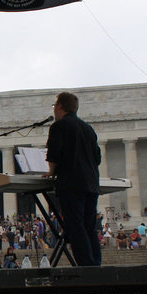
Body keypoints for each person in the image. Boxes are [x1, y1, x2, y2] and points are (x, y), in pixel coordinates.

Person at [44, 92, 101, 266]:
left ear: (60, 106)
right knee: (89, 227)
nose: (54, 109)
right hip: (91, 184)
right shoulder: (88, 128)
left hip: (71, 183)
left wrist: (51, 171)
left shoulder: (59, 126)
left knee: (76, 226)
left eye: (55, 105)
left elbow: (54, 153)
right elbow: (97, 157)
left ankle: (87, 266)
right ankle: (96, 264)